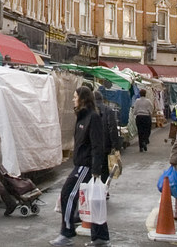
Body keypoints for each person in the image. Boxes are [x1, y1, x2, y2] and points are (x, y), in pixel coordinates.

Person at [50, 85, 109, 247]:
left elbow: (98, 145)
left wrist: (96, 169)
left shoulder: (92, 117)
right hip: (82, 164)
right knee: (92, 200)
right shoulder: (82, 117)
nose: (73, 100)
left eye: (75, 97)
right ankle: (100, 237)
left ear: (82, 99)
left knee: (68, 194)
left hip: (86, 165)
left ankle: (66, 233)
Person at [132, 88, 155, 152]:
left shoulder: (137, 101)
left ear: (139, 94)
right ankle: (145, 140)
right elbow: (151, 109)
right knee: (147, 130)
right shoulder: (148, 101)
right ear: (145, 94)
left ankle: (141, 147)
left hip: (139, 117)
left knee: (140, 131)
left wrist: (135, 114)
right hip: (146, 117)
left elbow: (135, 110)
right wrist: (150, 113)